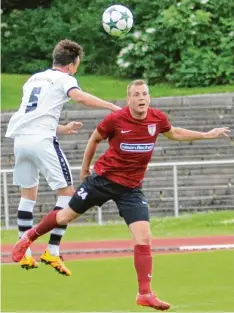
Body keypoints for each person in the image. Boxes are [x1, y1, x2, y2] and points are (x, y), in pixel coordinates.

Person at [12, 79, 230, 310]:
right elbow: (94, 139)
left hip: (131, 189)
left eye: (144, 94)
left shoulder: (157, 119)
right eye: (136, 95)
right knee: (65, 217)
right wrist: (85, 170)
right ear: (129, 100)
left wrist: (207, 134)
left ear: (149, 98)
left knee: (144, 237)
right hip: (102, 181)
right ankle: (28, 238)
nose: (141, 98)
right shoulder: (115, 119)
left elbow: (174, 133)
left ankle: (144, 294)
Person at [6, 39, 120, 276]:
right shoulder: (65, 79)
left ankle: (24, 251)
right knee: (67, 195)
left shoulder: (34, 79)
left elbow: (34, 115)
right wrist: (111, 106)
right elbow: (79, 97)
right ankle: (52, 250)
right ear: (72, 63)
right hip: (42, 141)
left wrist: (63, 128)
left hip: (21, 140)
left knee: (28, 195)